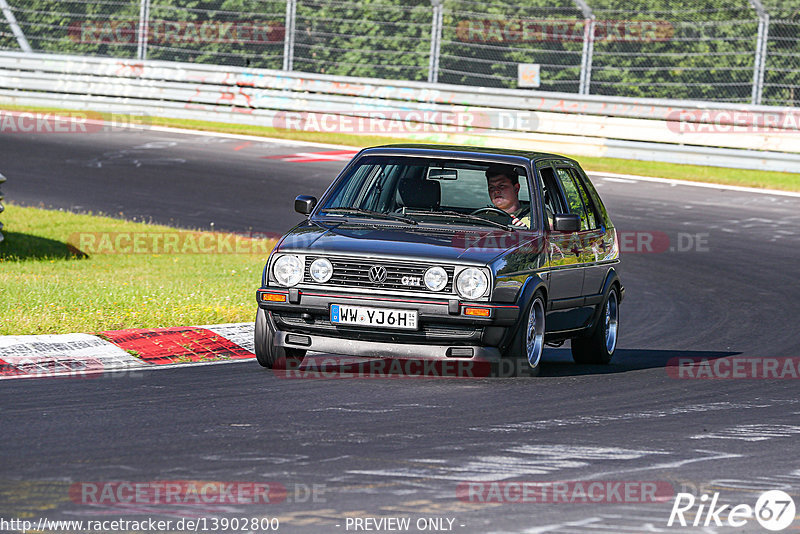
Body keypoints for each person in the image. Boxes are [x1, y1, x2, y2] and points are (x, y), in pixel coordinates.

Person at [485, 163, 530, 228]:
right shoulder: (484, 217)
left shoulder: (537, 217)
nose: (496, 191)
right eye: (491, 187)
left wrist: (525, 232)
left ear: (516, 189)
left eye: (501, 186)